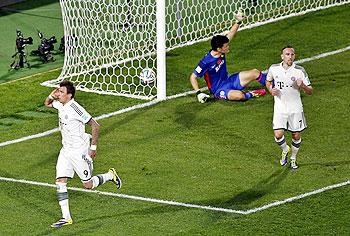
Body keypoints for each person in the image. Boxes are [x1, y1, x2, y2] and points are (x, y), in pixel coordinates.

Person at [44, 80, 122, 227]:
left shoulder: (76, 108)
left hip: (79, 151)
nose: (58, 94)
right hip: (66, 150)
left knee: (88, 184)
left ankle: (110, 175)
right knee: (60, 181)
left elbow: (95, 125)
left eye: (61, 92)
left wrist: (93, 147)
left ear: (69, 95)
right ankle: (66, 218)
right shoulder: (60, 104)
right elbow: (47, 103)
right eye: (58, 91)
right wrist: (51, 94)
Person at [189, 9, 267, 103]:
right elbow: (193, 77)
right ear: (219, 49)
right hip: (219, 90)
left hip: (229, 80)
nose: (228, 46)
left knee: (255, 72)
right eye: (226, 46)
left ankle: (273, 86)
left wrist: (238, 21)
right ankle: (250, 94)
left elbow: (231, 34)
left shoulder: (221, 50)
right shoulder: (206, 61)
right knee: (239, 95)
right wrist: (198, 93)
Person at [266, 46, 313, 169]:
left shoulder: (299, 71)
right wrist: (271, 90)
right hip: (280, 107)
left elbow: (310, 91)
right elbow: (268, 81)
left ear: (294, 56)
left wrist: (302, 85)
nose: (290, 57)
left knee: (296, 135)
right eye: (287, 54)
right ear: (282, 56)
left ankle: (293, 159)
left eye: (292, 54)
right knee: (278, 135)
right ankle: (285, 149)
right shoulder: (274, 69)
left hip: (295, 108)